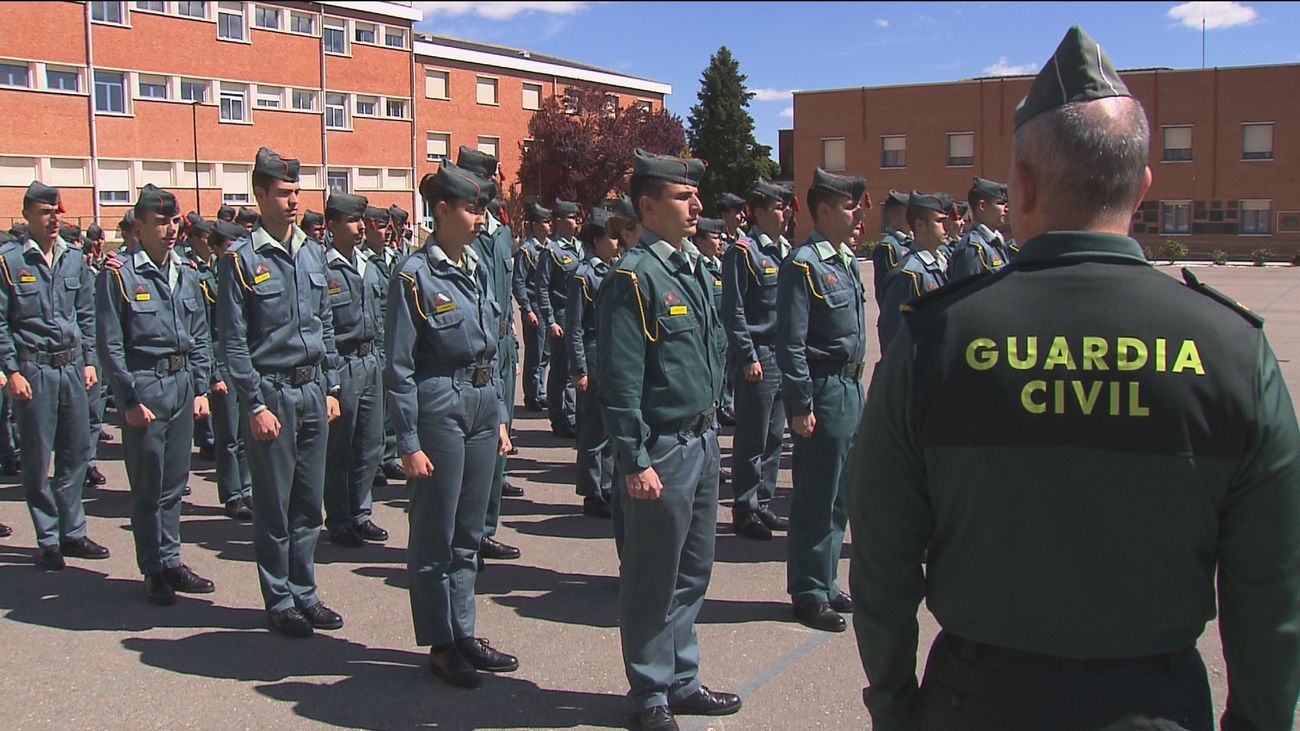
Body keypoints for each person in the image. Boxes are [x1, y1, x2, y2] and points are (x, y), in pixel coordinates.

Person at [849, 25, 1300, 731]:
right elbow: (1274, 595)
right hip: (1157, 706)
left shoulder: (933, 340)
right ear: (1143, 187)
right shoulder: (1232, 350)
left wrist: (896, 706)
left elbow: (880, 566)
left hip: (974, 701)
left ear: (1021, 184)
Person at [596, 149, 737, 731]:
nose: (697, 205)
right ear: (648, 205)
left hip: (700, 444)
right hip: (662, 452)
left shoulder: (693, 267)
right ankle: (650, 691)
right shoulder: (633, 277)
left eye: (695, 195)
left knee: (693, 571)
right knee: (652, 576)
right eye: (684, 197)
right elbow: (621, 379)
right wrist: (633, 457)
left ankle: (683, 677)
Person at [384, 162, 517, 688]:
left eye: (482, 207)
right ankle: (441, 642)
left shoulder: (477, 266)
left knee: (468, 533)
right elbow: (398, 366)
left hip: (484, 401)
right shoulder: (414, 275)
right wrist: (408, 441)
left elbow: (496, 343)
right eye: (471, 208)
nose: (481, 217)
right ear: (441, 211)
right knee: (435, 534)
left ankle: (464, 631)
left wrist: (502, 415)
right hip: (441, 403)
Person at [217, 147, 343, 638]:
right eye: (284, 193)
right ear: (261, 195)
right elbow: (232, 341)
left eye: (297, 192)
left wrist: (331, 384)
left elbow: (325, 323)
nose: (294, 202)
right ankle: (279, 598)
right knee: (274, 507)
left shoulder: (313, 253)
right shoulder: (242, 261)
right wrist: (253, 404)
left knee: (309, 505)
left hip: (312, 391)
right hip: (272, 394)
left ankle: (305, 591)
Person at [96, 184, 214, 604]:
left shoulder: (185, 270)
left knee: (175, 484)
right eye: (159, 222)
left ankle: (171, 559)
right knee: (148, 487)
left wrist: (200, 386)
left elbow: (200, 333)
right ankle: (152, 569)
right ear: (140, 226)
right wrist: (127, 399)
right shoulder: (120, 274)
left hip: (182, 385)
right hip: (146, 386)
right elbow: (110, 344)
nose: (168, 230)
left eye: (172, 222)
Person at [776, 168, 868, 633]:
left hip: (851, 387)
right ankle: (809, 592)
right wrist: (800, 402)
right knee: (815, 493)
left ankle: (827, 579)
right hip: (824, 388)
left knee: (840, 494)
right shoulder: (804, 265)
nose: (857, 215)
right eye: (850, 206)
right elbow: (790, 342)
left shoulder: (845, 261)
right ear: (825, 209)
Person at [0, 182, 106, 570]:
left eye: (58, 212)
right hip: (34, 369)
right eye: (46, 213)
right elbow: (1, 321)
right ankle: (48, 538)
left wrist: (91, 361)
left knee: (76, 451)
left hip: (73, 367)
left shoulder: (73, 259)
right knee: (36, 456)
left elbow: (87, 315)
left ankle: (72, 531)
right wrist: (10, 369)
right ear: (27, 215)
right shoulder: (10, 261)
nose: (55, 219)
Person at [457, 145, 524, 564]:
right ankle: (463, 537)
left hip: (502, 345)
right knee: (471, 453)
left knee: (498, 446)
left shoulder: (499, 229)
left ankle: (484, 529)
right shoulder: (469, 230)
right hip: (474, 350)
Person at [720, 178, 791, 541]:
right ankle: (744, 507)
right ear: (759, 212)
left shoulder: (783, 250)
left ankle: (763, 500)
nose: (786, 213)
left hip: (781, 354)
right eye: (779, 208)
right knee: (752, 436)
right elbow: (732, 311)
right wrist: (747, 355)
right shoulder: (743, 252)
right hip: (758, 355)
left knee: (775, 435)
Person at [317, 193, 388, 549]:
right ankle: (340, 518)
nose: (361, 227)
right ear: (331, 226)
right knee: (341, 449)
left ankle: (361, 513)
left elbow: (382, 316)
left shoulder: (368, 265)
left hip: (371, 361)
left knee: (370, 445)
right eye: (352, 221)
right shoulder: (322, 268)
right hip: (342, 363)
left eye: (361, 221)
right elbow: (321, 326)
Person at [567, 207, 618, 519]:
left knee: (610, 429)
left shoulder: (612, 269)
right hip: (593, 354)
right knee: (593, 433)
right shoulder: (583, 276)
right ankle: (591, 491)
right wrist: (579, 369)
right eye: (612, 237)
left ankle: (608, 485)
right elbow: (574, 327)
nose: (617, 243)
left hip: (611, 357)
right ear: (597, 240)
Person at [202, 219, 254, 520]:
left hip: (244, 362)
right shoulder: (206, 281)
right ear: (218, 247)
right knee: (228, 437)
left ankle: (246, 489)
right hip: (223, 364)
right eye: (228, 246)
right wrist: (214, 374)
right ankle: (232, 494)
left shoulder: (242, 275)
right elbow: (206, 332)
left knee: (246, 433)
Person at [360, 204, 406, 485]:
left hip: (395, 339)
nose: (389, 233)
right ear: (368, 227)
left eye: (390, 227)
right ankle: (374, 461)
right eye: (382, 226)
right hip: (375, 340)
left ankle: (389, 455)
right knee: (375, 408)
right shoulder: (363, 261)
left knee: (391, 403)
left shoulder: (395, 258)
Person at [875, 191, 949, 352]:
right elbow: (894, 337)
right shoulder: (909, 274)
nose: (946, 227)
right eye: (939, 221)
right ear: (920, 225)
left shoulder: (939, 264)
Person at [537, 199, 582, 438]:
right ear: (559, 221)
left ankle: (572, 415)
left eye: (577, 217)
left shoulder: (580, 248)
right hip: (562, 314)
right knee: (561, 370)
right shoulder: (551, 251)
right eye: (572, 217)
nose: (577, 221)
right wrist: (550, 320)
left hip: (579, 314)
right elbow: (542, 287)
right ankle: (558, 417)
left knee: (575, 367)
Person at [513, 203, 552, 412]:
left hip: (548, 308)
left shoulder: (550, 248)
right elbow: (518, 282)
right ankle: (531, 395)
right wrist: (526, 308)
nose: (549, 225)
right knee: (534, 355)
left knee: (546, 354)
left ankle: (541, 392)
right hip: (534, 306)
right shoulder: (526, 252)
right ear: (535, 224)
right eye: (545, 222)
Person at [947, 177, 1012, 280]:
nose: (1006, 209)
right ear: (982, 206)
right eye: (1000, 203)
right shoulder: (973, 248)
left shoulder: (995, 241)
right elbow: (969, 292)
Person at [870, 190, 912, 306]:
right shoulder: (888, 247)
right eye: (910, 213)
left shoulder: (911, 242)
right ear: (893, 216)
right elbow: (886, 291)